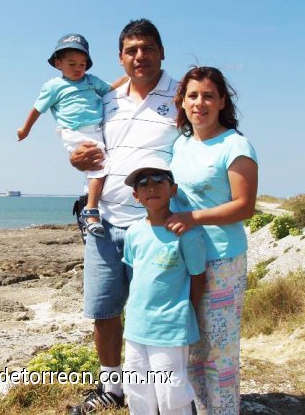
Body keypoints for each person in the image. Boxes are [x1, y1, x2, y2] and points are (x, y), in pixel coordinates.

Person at [68, 19, 181, 414]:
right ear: (120, 58)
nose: (140, 56)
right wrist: (74, 157)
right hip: (102, 222)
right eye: (131, 50)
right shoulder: (107, 98)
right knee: (103, 309)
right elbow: (86, 146)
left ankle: (169, 392)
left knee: (155, 311)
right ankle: (112, 387)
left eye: (148, 48)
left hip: (152, 226)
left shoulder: (182, 96)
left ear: (162, 52)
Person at [166, 66, 258, 414]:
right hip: (184, 258)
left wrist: (193, 218)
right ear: (182, 102)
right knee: (190, 346)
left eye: (208, 95)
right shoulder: (180, 144)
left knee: (219, 351)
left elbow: (245, 206)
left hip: (222, 259)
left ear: (221, 101)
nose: (199, 102)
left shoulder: (235, 145)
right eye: (192, 95)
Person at [122, 158, 206, 415]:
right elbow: (135, 273)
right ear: (136, 195)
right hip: (137, 325)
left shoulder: (188, 236)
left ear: (173, 189)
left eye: (159, 180)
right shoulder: (133, 232)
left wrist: (183, 312)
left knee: (171, 392)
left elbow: (197, 278)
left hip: (170, 328)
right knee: (137, 387)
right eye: (143, 183)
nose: (152, 187)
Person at [17, 33, 112, 237]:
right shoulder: (54, 86)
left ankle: (91, 207)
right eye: (72, 64)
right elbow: (37, 109)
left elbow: (112, 91)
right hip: (74, 131)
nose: (78, 69)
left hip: (96, 129)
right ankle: (91, 211)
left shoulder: (91, 81)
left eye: (82, 64)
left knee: (99, 167)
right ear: (58, 64)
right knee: (99, 166)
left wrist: (130, 79)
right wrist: (25, 129)